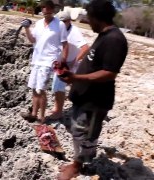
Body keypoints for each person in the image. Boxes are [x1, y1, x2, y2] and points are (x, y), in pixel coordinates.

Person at [57, 0, 128, 179]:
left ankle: (78, 167)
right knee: (78, 131)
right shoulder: (104, 35)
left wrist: (76, 78)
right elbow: (94, 64)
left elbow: (109, 73)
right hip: (85, 97)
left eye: (90, 18)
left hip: (96, 101)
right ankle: (77, 162)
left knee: (86, 135)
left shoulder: (115, 39)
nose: (88, 22)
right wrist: (70, 74)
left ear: (98, 18)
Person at [20, 0, 69, 123]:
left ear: (53, 9)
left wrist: (63, 61)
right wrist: (26, 28)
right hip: (37, 59)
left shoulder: (60, 25)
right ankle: (33, 114)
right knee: (34, 88)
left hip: (49, 61)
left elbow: (65, 44)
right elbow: (32, 40)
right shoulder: (39, 23)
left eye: (48, 8)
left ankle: (42, 118)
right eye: (43, 7)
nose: (45, 10)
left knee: (41, 89)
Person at [48, 11, 89, 120]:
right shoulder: (57, 30)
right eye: (59, 21)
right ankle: (58, 108)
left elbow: (85, 47)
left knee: (59, 86)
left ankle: (58, 111)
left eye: (64, 21)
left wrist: (74, 61)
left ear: (69, 21)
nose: (61, 24)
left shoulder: (74, 32)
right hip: (61, 63)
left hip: (71, 64)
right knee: (58, 86)